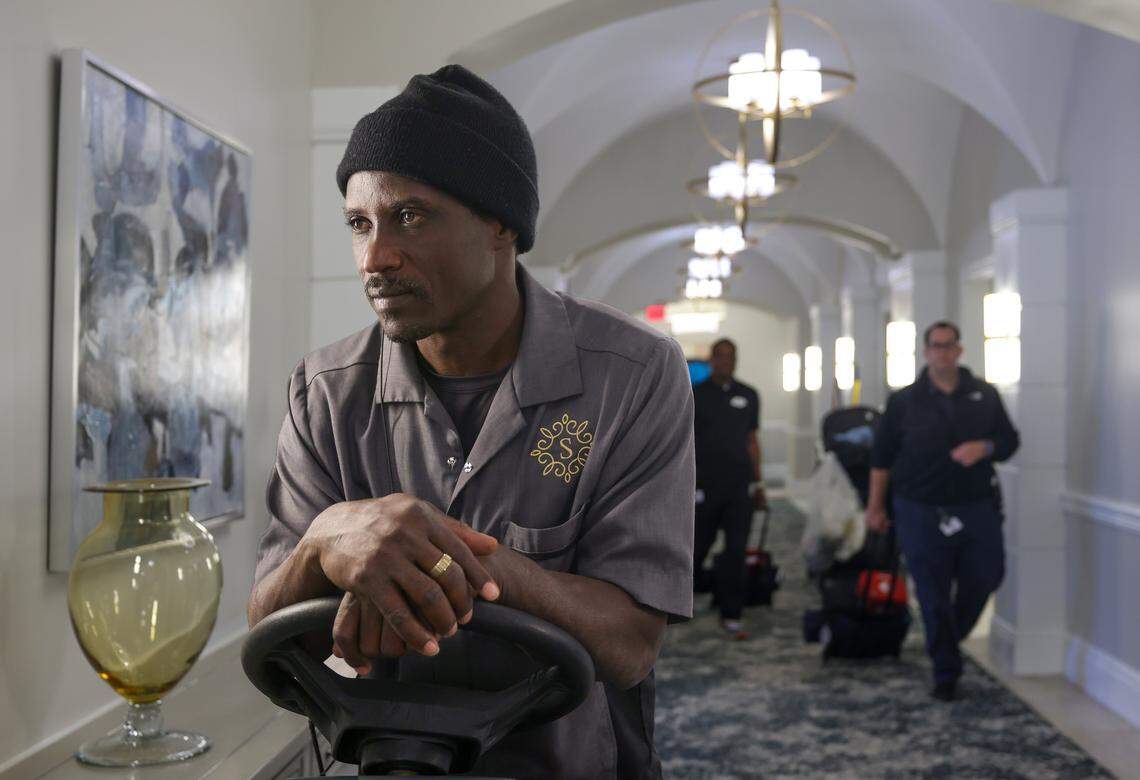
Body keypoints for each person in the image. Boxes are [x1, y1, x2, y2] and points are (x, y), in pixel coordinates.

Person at [245, 65, 694, 779]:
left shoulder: (631, 376)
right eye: (360, 223)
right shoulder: (324, 391)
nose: (375, 257)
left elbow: (630, 645)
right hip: (368, 756)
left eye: (411, 217)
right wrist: (326, 541)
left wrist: (442, 550)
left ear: (501, 225)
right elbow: (270, 626)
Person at [866, 320, 1019, 701]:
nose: (943, 353)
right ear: (925, 352)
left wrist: (983, 448)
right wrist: (874, 507)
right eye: (936, 346)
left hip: (975, 505)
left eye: (949, 346)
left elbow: (1009, 440)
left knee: (988, 574)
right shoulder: (903, 402)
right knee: (932, 593)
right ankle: (945, 671)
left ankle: (949, 635)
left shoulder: (984, 394)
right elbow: (881, 459)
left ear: (960, 350)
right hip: (918, 507)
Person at [691, 338, 767, 639]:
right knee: (698, 548)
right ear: (711, 359)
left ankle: (731, 611)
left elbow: (752, 441)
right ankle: (685, 598)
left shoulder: (749, 395)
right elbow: (685, 444)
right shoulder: (695, 395)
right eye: (720, 356)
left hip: (739, 486)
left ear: (736, 360)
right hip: (704, 487)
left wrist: (758, 483)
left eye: (730, 356)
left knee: (736, 551)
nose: (725, 361)